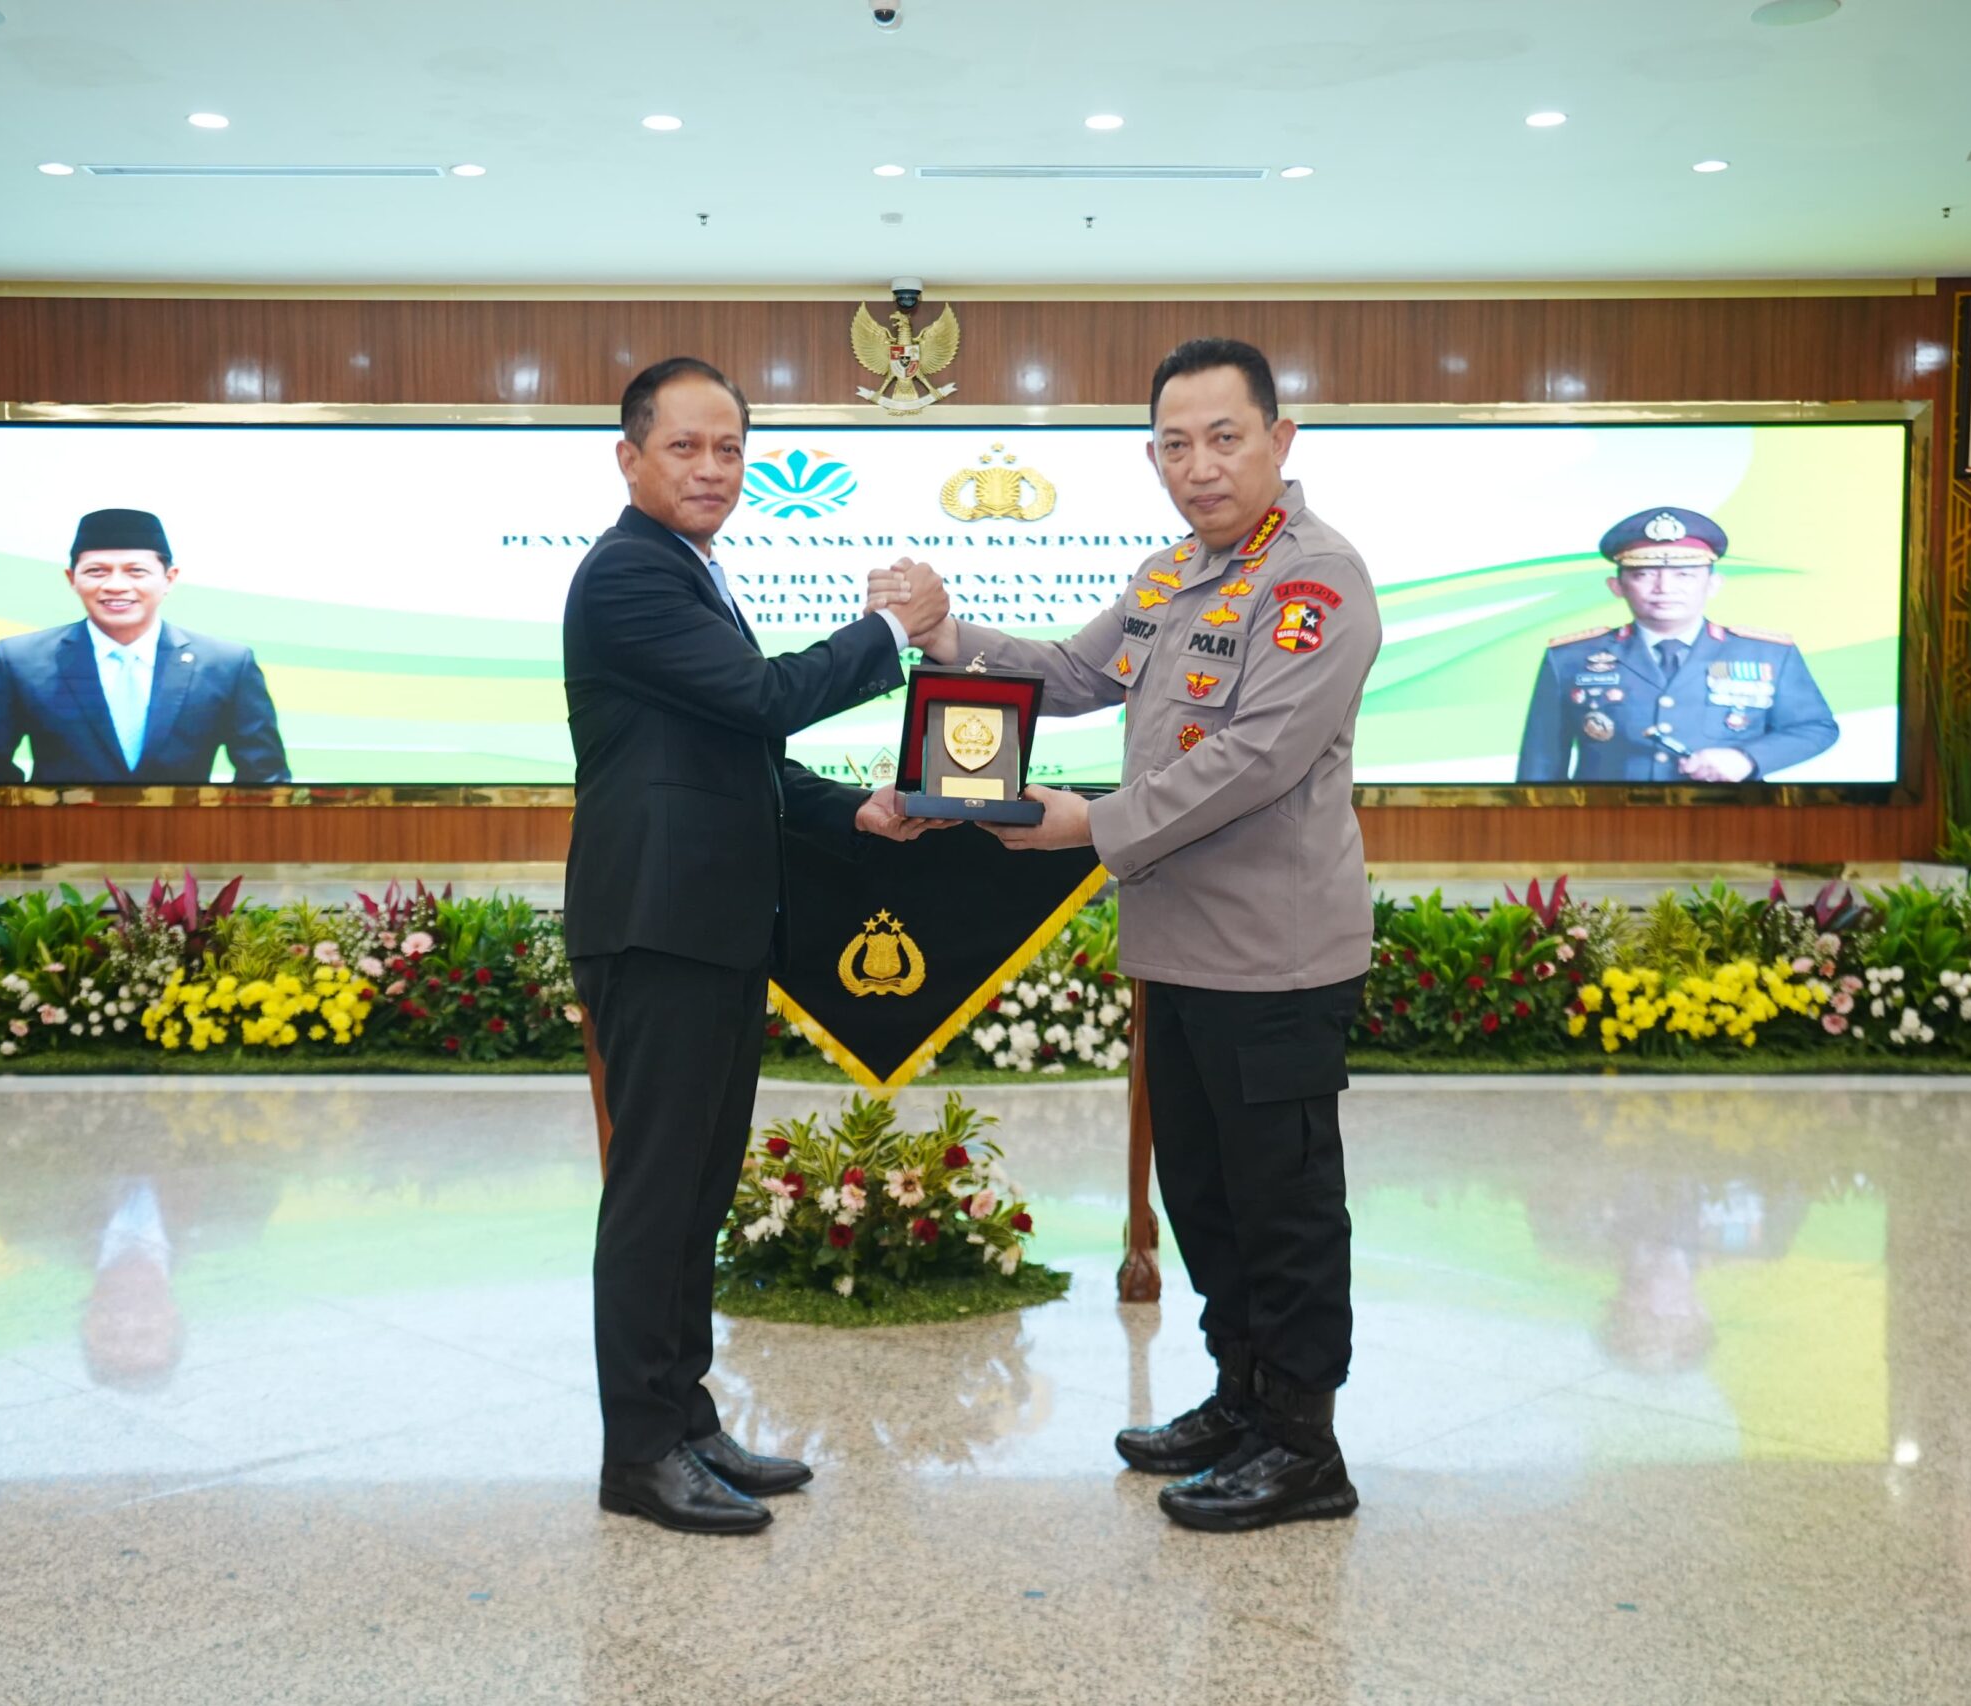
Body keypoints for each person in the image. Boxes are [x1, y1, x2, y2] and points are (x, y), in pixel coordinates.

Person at [875, 337, 1381, 1533]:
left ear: (1279, 440)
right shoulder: (1172, 575)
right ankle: (1240, 1398)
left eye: (1224, 438)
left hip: (1273, 958)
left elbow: (1254, 759)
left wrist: (1088, 825)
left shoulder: (1314, 581)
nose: (1199, 465)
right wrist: (947, 639)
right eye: (1174, 444)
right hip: (1178, 949)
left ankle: (1303, 1442)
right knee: (1205, 1197)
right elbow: (1066, 673)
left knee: (1283, 1207)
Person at [564, 355, 952, 1535]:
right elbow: (764, 698)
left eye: (729, 448)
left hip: (710, 925)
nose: (712, 468)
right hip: (659, 927)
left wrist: (856, 810)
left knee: (695, 1191)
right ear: (628, 457)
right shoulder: (629, 573)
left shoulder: (691, 569)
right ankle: (640, 1452)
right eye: (684, 446)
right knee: (656, 1196)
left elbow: (742, 754)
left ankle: (685, 1418)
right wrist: (891, 626)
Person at [0, 508, 289, 785]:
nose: (116, 585)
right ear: (72, 579)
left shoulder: (226, 664)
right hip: (60, 839)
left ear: (169, 578)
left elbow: (265, 778)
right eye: (96, 571)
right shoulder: (19, 661)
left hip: (186, 840)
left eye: (136, 571)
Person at [1516, 507, 1837, 784]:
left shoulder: (1768, 653)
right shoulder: (1570, 657)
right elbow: (1541, 759)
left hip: (1732, 817)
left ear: (1713, 584)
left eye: (1684, 575)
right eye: (1644, 575)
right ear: (1617, 586)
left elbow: (1815, 727)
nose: (1664, 588)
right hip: (1608, 821)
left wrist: (1747, 758)